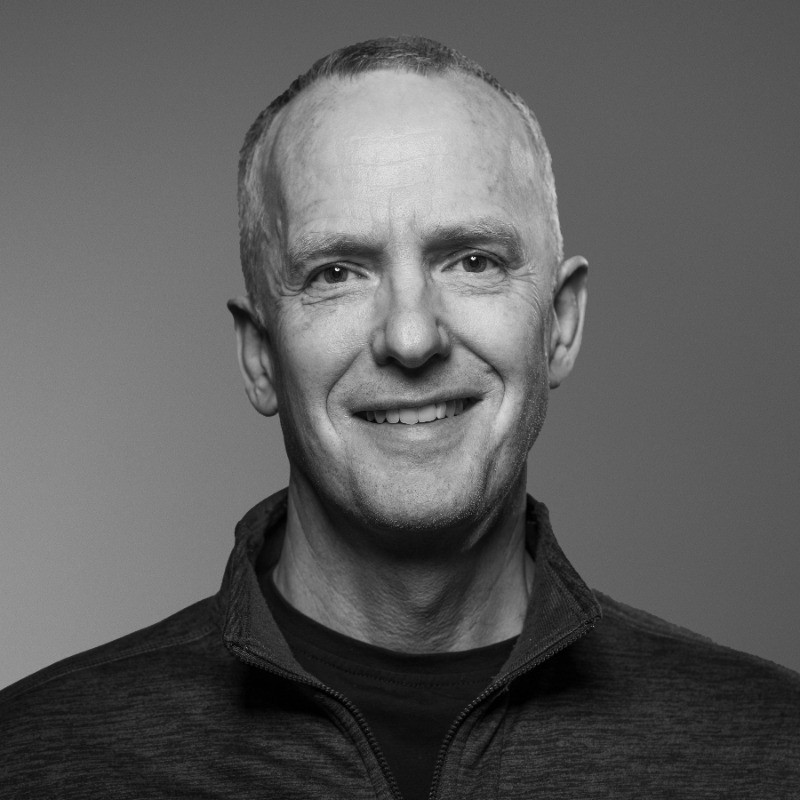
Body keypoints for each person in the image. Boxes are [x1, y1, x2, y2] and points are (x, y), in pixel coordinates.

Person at [1, 36, 798, 799]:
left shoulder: (774, 752)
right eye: (336, 272)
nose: (411, 337)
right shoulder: (33, 761)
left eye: (473, 261)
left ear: (559, 324)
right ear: (260, 355)